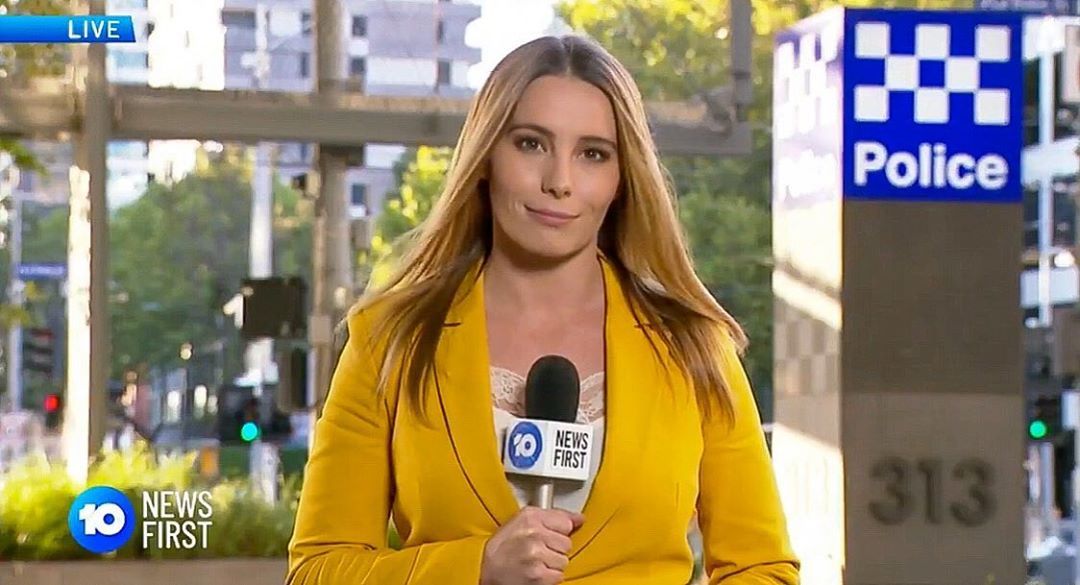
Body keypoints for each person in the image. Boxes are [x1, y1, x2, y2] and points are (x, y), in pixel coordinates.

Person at [286, 35, 799, 585]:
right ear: (487, 157)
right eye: (531, 144)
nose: (559, 182)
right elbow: (317, 570)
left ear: (622, 179)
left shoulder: (692, 345)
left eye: (593, 154)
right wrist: (476, 568)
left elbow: (763, 569)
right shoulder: (390, 339)